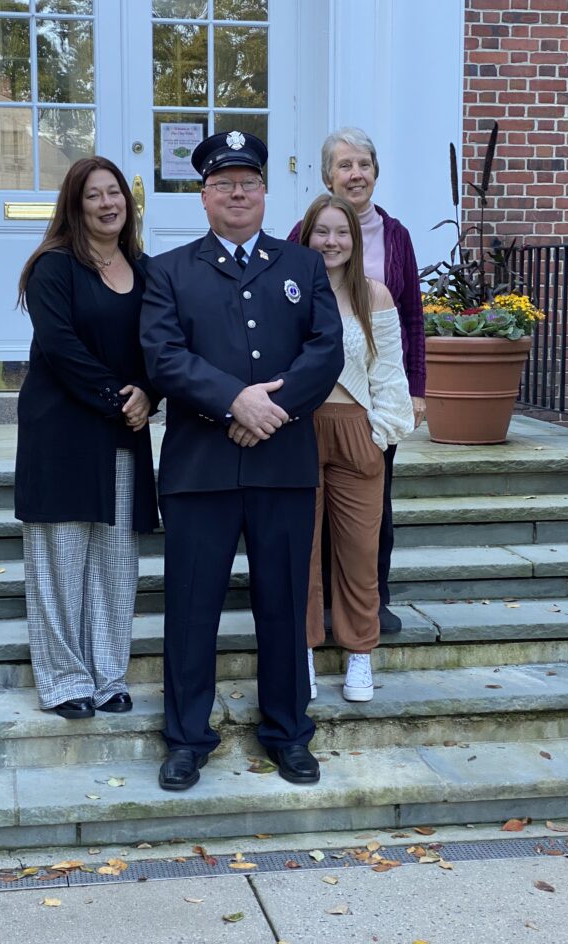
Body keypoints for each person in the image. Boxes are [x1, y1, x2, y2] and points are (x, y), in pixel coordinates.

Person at [142, 131, 343, 792]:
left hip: (282, 463)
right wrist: (234, 403)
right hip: (200, 469)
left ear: (264, 191)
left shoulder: (302, 266)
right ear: (203, 195)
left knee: (284, 605)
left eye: (247, 182)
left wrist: (270, 412)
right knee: (192, 609)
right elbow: (164, 357)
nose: (236, 193)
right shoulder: (169, 271)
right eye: (223, 183)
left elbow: (325, 350)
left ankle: (287, 732)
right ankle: (187, 737)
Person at [14, 157, 158, 720]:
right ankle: (63, 680)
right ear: (74, 207)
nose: (107, 203)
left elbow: (159, 345)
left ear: (128, 201)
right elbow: (61, 347)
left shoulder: (144, 270)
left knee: (115, 563)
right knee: (60, 558)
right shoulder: (53, 268)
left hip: (123, 431)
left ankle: (107, 677)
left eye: (114, 193)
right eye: (93, 195)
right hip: (65, 431)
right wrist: (120, 398)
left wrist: (149, 390)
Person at [288, 127, 426, 634]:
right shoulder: (301, 237)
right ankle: (317, 609)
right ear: (328, 176)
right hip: (313, 406)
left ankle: (372, 601)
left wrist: (414, 389)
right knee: (312, 512)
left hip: (373, 397)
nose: (356, 173)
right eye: (345, 165)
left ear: (375, 172)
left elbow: (410, 317)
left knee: (372, 509)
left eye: (364, 164)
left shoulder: (396, 236)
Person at [299, 194, 414, 702]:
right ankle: (299, 650)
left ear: (355, 238)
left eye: (340, 232)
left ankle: (359, 656)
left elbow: (389, 373)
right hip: (299, 428)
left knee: (360, 552)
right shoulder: (290, 292)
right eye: (321, 232)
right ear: (307, 237)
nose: (331, 242)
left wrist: (380, 433)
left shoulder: (376, 296)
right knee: (299, 552)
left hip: (356, 429)